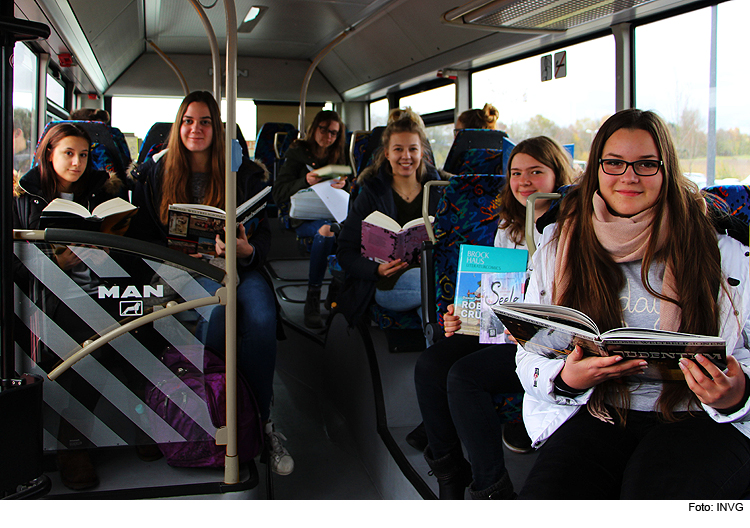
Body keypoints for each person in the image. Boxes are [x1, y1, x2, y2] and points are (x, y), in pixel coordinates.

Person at [517, 109, 750, 499]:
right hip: (598, 408)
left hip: (700, 416)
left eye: (646, 164)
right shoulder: (559, 244)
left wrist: (737, 392)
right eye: (614, 163)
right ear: (597, 168)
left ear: (666, 170)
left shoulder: (723, 249)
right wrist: (566, 379)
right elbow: (531, 356)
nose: (629, 176)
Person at [129, 91, 293, 476]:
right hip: (180, 268)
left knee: (261, 316)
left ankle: (260, 420)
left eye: (205, 122)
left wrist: (245, 249)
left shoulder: (246, 174)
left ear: (216, 129)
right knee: (217, 315)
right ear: (177, 126)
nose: (195, 129)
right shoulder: (155, 174)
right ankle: (214, 414)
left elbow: (262, 241)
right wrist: (174, 249)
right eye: (188, 120)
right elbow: (141, 237)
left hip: (238, 267)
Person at [414, 137, 575, 499]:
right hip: (506, 330)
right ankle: (450, 470)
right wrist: (466, 313)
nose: (524, 181)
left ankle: (492, 490)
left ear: (557, 176)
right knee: (430, 364)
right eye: (516, 173)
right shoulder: (509, 225)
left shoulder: (570, 227)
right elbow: (496, 292)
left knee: (463, 377)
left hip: (547, 342)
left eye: (536, 172)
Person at [13, 123, 127, 490]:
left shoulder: (101, 193)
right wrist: (56, 262)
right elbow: (12, 260)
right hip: (44, 295)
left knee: (143, 321)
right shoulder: (22, 195)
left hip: (98, 286)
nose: (77, 163)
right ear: (49, 153)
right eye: (68, 154)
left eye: (82, 155)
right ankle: (72, 443)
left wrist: (111, 248)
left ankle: (154, 425)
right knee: (91, 337)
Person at [336, 111, 447, 327]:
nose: (406, 156)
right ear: (387, 153)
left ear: (422, 152)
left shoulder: (439, 190)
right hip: (385, 281)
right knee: (433, 288)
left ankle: (434, 358)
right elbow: (345, 252)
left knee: (429, 312)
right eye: (398, 149)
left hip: (432, 272)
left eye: (412, 149)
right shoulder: (370, 193)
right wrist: (375, 270)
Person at [272, 110, 348, 329]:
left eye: (333, 132)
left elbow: (350, 189)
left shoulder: (339, 156)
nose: (328, 136)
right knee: (326, 230)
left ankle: (336, 289)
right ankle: (312, 298)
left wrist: (345, 186)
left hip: (332, 212)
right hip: (304, 216)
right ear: (314, 128)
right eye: (323, 129)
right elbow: (279, 192)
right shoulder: (297, 153)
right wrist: (305, 180)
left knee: (348, 232)